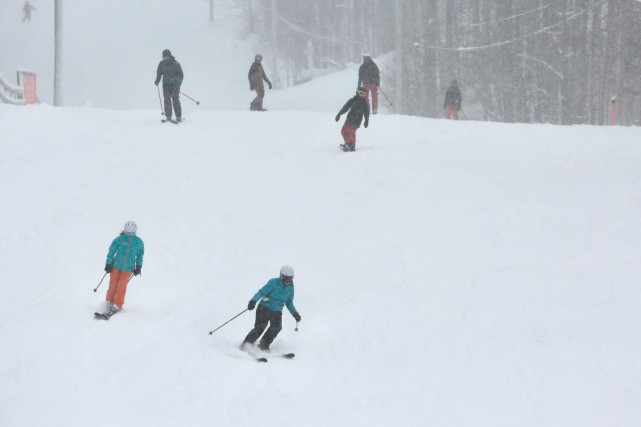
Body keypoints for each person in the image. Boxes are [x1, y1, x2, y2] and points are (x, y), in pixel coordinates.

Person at [240, 266, 301, 352]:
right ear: (281, 276)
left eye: (290, 279)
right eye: (286, 278)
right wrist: (253, 301)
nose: (288, 281)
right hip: (264, 307)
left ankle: (264, 344)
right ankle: (246, 344)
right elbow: (261, 292)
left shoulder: (291, 287)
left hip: (277, 311)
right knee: (260, 327)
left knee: (277, 327)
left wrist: (295, 314)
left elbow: (289, 302)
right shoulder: (273, 282)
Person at [103, 221, 144, 316]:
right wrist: (108, 264)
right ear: (125, 231)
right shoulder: (119, 240)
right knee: (113, 285)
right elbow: (111, 252)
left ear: (135, 232)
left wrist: (138, 266)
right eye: (128, 233)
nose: (130, 235)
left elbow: (140, 255)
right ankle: (109, 302)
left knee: (121, 286)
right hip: (116, 266)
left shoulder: (138, 242)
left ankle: (117, 304)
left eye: (132, 233)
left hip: (128, 269)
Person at [335, 87, 370, 152]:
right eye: (361, 94)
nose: (362, 96)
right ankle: (348, 143)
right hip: (349, 118)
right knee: (344, 131)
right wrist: (339, 114)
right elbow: (345, 108)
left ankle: (352, 145)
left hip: (357, 119)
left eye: (364, 94)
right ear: (357, 93)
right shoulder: (352, 100)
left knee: (351, 131)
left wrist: (366, 120)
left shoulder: (364, 103)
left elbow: (366, 113)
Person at [155, 49, 184, 123]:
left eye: (167, 58)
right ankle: (168, 116)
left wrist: (176, 82)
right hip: (166, 85)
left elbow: (181, 75)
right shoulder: (161, 64)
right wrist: (157, 80)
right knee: (167, 99)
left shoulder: (176, 64)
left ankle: (178, 117)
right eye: (164, 58)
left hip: (175, 85)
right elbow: (159, 72)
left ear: (170, 56)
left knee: (175, 98)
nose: (165, 59)